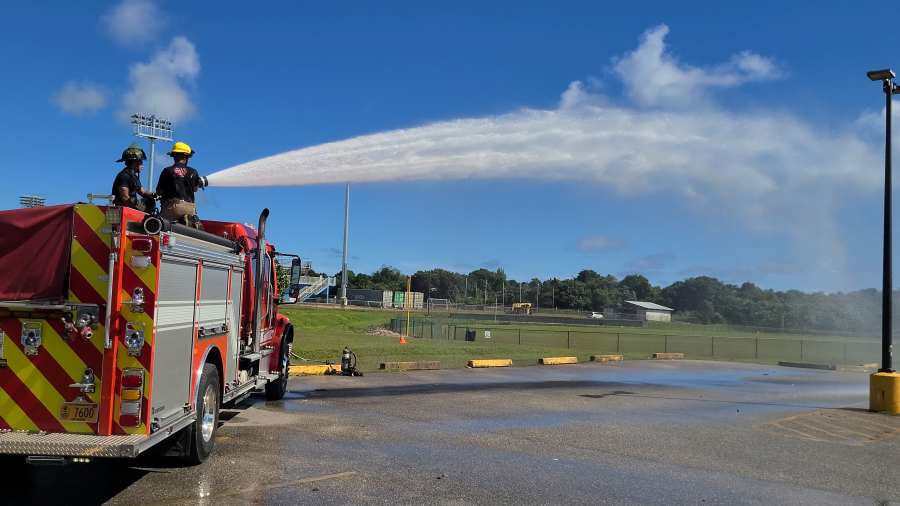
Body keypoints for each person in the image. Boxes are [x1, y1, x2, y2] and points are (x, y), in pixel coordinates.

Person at [156, 141, 205, 229]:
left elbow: (159, 191)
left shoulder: (167, 171)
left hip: (174, 208)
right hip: (190, 210)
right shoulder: (193, 171)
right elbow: (195, 189)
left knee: (157, 224)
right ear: (184, 156)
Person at [112, 142, 156, 212]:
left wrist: (155, 195)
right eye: (141, 163)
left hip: (131, 205)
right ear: (135, 163)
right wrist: (135, 211)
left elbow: (143, 193)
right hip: (122, 208)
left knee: (150, 201)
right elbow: (125, 197)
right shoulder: (123, 176)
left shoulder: (134, 177)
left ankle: (144, 221)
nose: (142, 166)